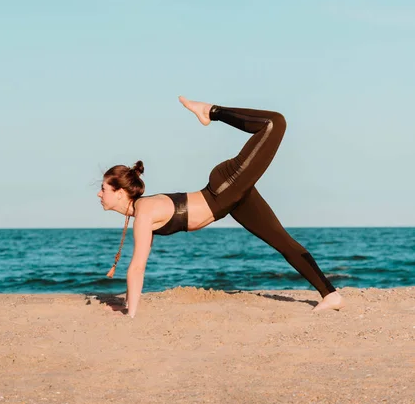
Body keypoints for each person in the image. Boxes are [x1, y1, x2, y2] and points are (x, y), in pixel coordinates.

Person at [98, 96, 346, 318]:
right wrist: (128, 303)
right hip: (229, 200)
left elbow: (137, 268)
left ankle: (211, 111)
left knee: (275, 123)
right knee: (282, 241)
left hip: (223, 187)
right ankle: (330, 294)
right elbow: (139, 265)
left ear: (120, 193)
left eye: (104, 189)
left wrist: (131, 315)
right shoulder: (142, 212)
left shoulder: (145, 211)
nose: (99, 194)